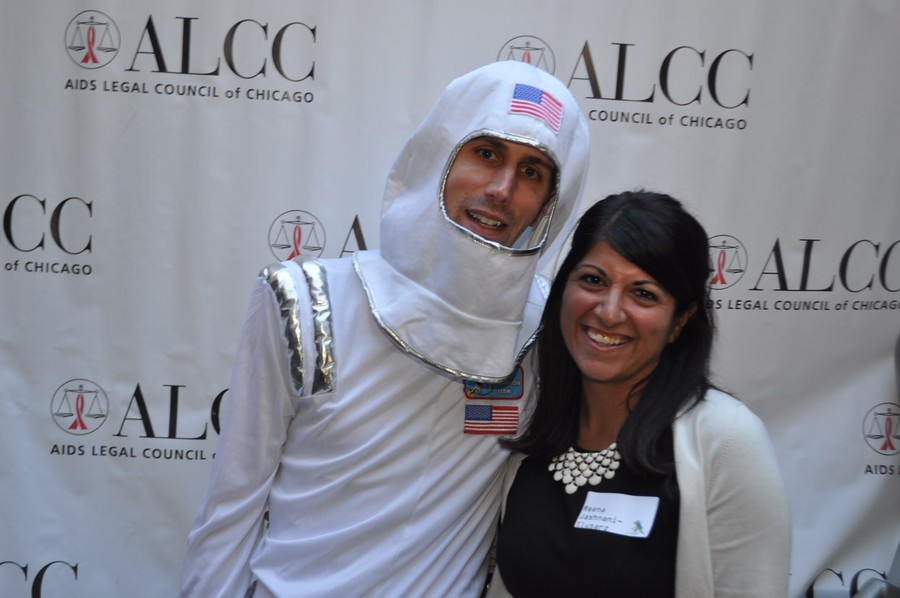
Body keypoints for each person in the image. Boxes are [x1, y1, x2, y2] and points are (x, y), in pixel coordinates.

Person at [180, 61, 590, 597]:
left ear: (550, 205)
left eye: (532, 172)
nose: (502, 189)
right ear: (441, 153)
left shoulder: (547, 330)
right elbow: (231, 507)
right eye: (486, 154)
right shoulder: (304, 300)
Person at [488, 191, 791, 597]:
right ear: (562, 290)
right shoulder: (530, 431)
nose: (609, 312)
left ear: (681, 320)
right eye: (593, 280)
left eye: (643, 293)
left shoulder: (725, 439)